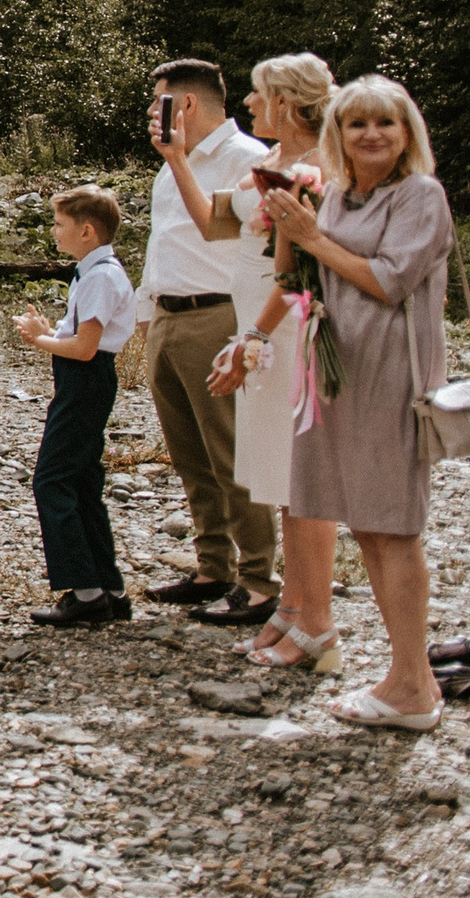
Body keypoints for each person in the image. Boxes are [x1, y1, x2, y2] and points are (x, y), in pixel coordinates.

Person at [240, 76, 452, 728]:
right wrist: (284, 224)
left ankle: (412, 686)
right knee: (367, 524)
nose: (371, 134)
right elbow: (298, 279)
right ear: (338, 133)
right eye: (357, 123)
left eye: (385, 123)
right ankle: (408, 679)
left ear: (407, 133)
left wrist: (311, 236)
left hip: (391, 376)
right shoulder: (335, 194)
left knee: (394, 525)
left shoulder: (420, 195)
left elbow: (390, 281)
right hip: (338, 375)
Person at [198, 53, 334, 664]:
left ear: (284, 101)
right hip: (259, 326)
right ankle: (293, 606)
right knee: (281, 478)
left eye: (257, 93)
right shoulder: (274, 163)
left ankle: (312, 618)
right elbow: (217, 222)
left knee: (302, 479)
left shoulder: (315, 169)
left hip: (288, 331)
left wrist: (250, 338)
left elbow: (298, 272)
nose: (249, 103)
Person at [138, 58, 275, 625]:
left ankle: (260, 579)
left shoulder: (247, 159)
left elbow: (254, 248)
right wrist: (148, 312)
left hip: (216, 315)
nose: (152, 112)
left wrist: (248, 333)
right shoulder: (170, 166)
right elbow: (164, 240)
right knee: (190, 456)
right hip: (168, 318)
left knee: (231, 453)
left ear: (186, 103)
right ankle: (212, 566)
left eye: (159, 101)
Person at [15, 185, 135, 626]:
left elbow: (85, 349)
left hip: (85, 381)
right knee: (83, 483)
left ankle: (85, 592)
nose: (53, 231)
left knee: (52, 481)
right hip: (86, 381)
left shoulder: (100, 276)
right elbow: (81, 337)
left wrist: (40, 340)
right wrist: (52, 332)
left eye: (59, 224)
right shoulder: (94, 272)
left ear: (87, 231)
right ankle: (110, 589)